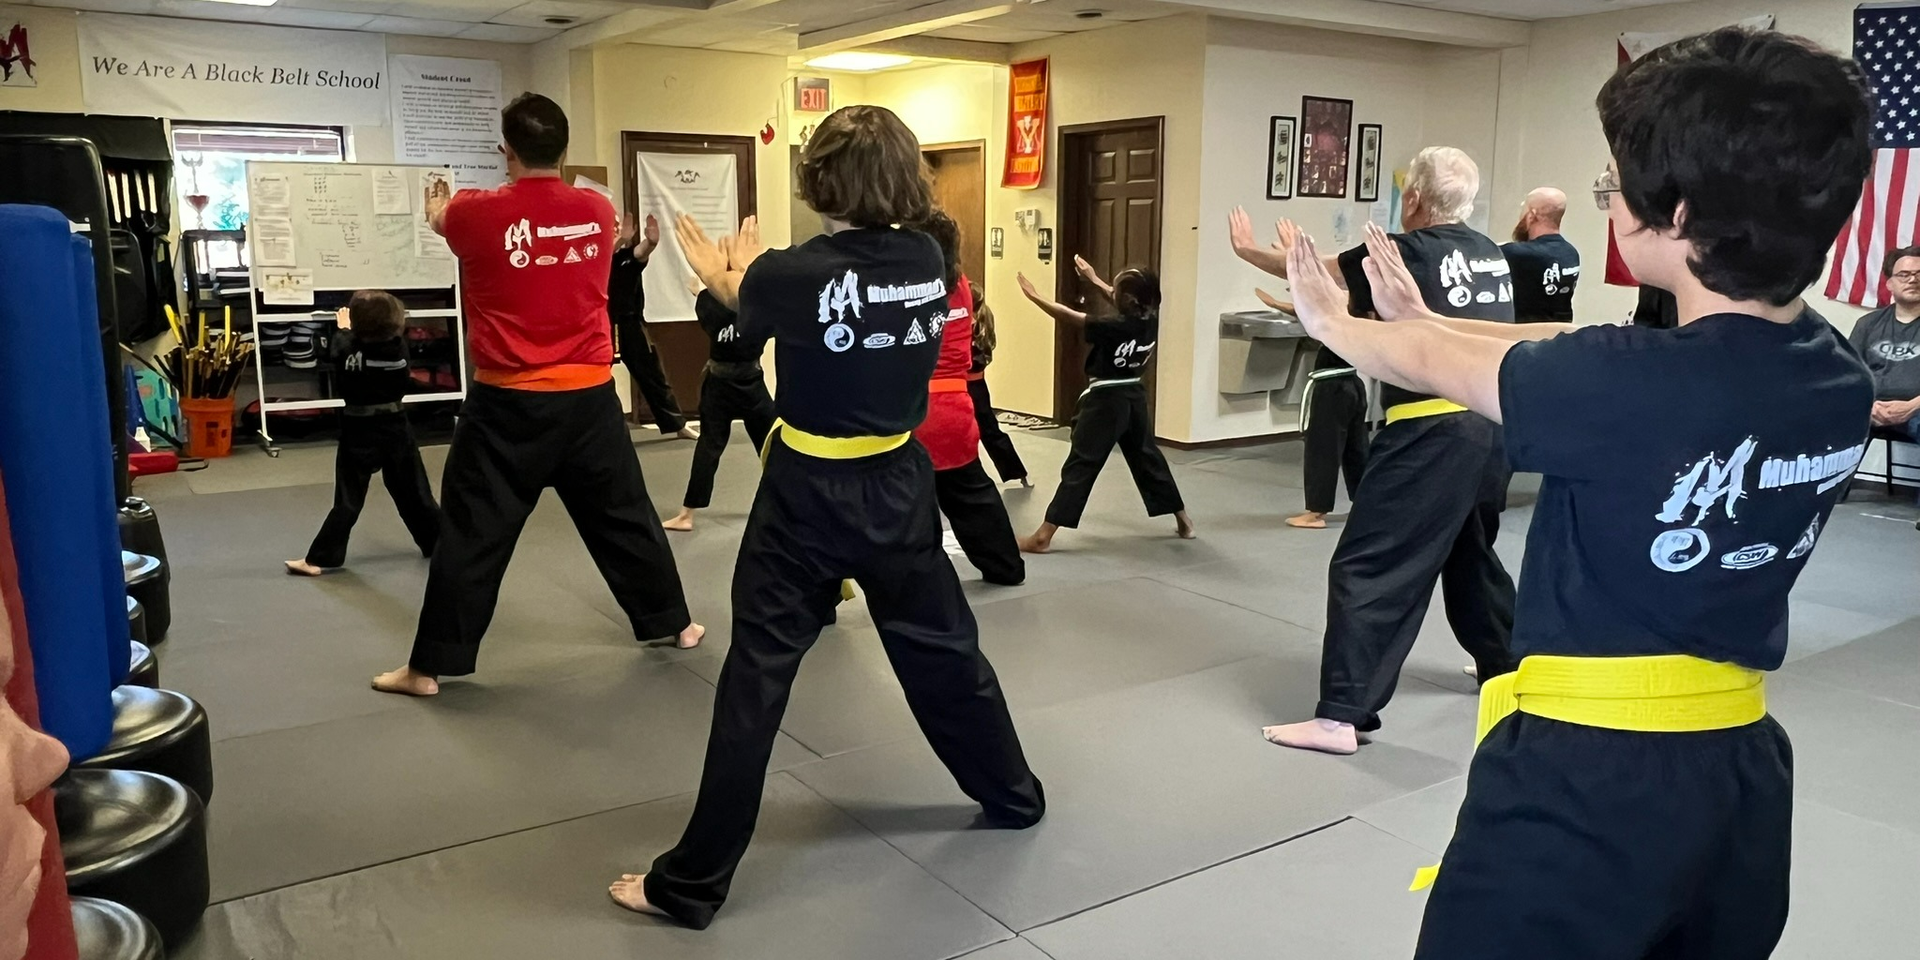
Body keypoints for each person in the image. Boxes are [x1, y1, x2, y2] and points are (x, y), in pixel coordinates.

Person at [1282, 28, 1871, 956]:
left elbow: (1444, 364)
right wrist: (1427, 315)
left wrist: (1337, 320)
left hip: (1586, 781)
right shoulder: (1834, 371)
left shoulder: (1627, 382)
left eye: (1616, 186)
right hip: (1739, 776)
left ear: (1677, 212)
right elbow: (1550, 352)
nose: (1612, 203)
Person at [610, 105, 1044, 928]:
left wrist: (721, 285)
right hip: (900, 485)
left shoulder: (789, 272)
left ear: (816, 184)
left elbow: (740, 329)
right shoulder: (928, 254)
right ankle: (1014, 796)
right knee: (947, 656)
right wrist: (742, 286)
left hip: (806, 495)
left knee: (755, 682)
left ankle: (691, 885)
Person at [373, 93, 703, 697]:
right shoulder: (597, 210)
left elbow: (442, 218)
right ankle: (675, 624)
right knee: (625, 517)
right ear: (564, 147)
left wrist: (435, 205)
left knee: (470, 535)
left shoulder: (475, 212)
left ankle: (427, 669)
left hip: (508, 406)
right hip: (590, 399)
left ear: (507, 150)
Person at [1229, 145, 1518, 756]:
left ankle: (1341, 716)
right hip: (1493, 426)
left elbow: (1317, 272)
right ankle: (1508, 670)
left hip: (1429, 431)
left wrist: (1250, 251)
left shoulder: (1403, 250)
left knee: (1369, 565)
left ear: (1412, 197)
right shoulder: (1490, 253)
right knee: (1470, 553)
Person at [1013, 259, 1194, 553]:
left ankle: (1043, 536)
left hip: (1105, 403)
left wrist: (1036, 298)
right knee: (1148, 459)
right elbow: (1116, 296)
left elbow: (1071, 317)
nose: (1112, 291)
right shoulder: (1149, 319)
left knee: (1082, 464)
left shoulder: (1114, 326)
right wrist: (1093, 278)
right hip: (1134, 397)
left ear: (1128, 300)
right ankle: (1184, 521)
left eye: (1116, 289)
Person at [285, 291, 441, 577]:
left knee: (348, 498)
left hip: (358, 429)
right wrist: (352, 330)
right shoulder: (399, 350)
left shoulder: (346, 350)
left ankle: (320, 558)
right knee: (414, 492)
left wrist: (344, 329)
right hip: (395, 425)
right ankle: (439, 543)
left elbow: (336, 351)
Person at [913, 210, 1024, 584]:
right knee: (971, 493)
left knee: (906, 503)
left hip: (915, 413)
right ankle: (1005, 566)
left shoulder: (906, 291)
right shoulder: (960, 286)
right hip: (959, 411)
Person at [662, 231, 776, 532]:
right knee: (773, 445)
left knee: (709, 446)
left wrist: (704, 285)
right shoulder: (759, 306)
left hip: (720, 385)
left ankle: (687, 514)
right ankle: (790, 506)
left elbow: (706, 292)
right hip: (751, 383)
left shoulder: (708, 303)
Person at [1252, 288, 1367, 529]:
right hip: (1352, 384)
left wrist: (1279, 304)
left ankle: (1316, 512)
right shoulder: (1363, 311)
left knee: (1323, 448)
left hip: (1333, 388)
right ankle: (1367, 503)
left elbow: (1316, 314)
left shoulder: (1342, 313)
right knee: (1355, 449)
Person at [609, 211, 697, 440]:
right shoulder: (593, 258)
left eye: (616, 227)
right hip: (602, 325)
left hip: (630, 324)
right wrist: (618, 240)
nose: (615, 231)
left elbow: (640, 253)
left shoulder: (627, 257)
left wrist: (651, 242)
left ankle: (677, 424)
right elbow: (603, 258)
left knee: (652, 374)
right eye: (611, 228)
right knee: (595, 378)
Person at [1849, 246, 1920, 442]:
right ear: (1890, 284)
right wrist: (1868, 406)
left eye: (1919, 274)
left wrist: (1912, 407)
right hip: (1870, 409)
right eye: (1904, 275)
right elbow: (1849, 375)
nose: (1913, 280)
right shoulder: (1868, 324)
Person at [968, 284, 1031, 486]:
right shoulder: (982, 320)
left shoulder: (970, 324)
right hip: (977, 386)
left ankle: (1016, 472)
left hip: (965, 385)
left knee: (988, 431)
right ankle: (1019, 473)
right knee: (990, 431)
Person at [1501, 187, 1581, 322]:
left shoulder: (1517, 254)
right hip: (1560, 331)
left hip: (1527, 333)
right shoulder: (1571, 253)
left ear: (1531, 215)